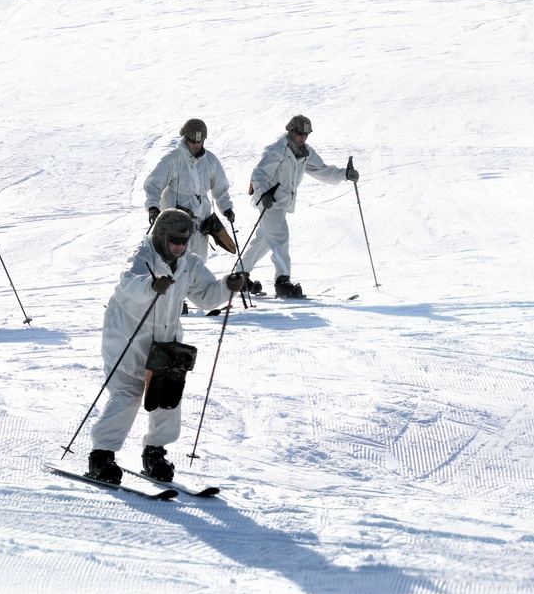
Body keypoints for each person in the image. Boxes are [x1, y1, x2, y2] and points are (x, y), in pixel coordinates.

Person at [87, 209, 245, 484]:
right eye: (175, 240)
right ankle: (101, 456)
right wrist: (152, 285)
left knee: (167, 392)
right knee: (128, 393)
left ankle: (154, 453)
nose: (180, 246)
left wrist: (227, 286)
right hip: (126, 335)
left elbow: (206, 298)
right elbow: (129, 284)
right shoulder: (142, 256)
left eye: (185, 241)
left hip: (165, 337)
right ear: (160, 236)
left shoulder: (188, 262)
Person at [245, 114, 359, 298]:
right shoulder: (278, 150)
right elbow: (258, 173)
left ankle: (240, 274)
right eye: (299, 133)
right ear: (290, 131)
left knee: (266, 239)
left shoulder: (305, 152)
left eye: (306, 134)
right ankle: (282, 282)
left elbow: (322, 170)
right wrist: (264, 193)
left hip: (280, 203)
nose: (303, 137)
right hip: (270, 202)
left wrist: (344, 174)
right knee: (280, 237)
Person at [143, 118, 235, 263]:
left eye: (200, 141)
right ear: (185, 137)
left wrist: (227, 208)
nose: (196, 144)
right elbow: (153, 184)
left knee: (198, 265)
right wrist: (153, 207)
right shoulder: (173, 159)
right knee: (175, 264)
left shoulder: (210, 161)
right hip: (175, 225)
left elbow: (221, 188)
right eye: (192, 141)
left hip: (201, 225)